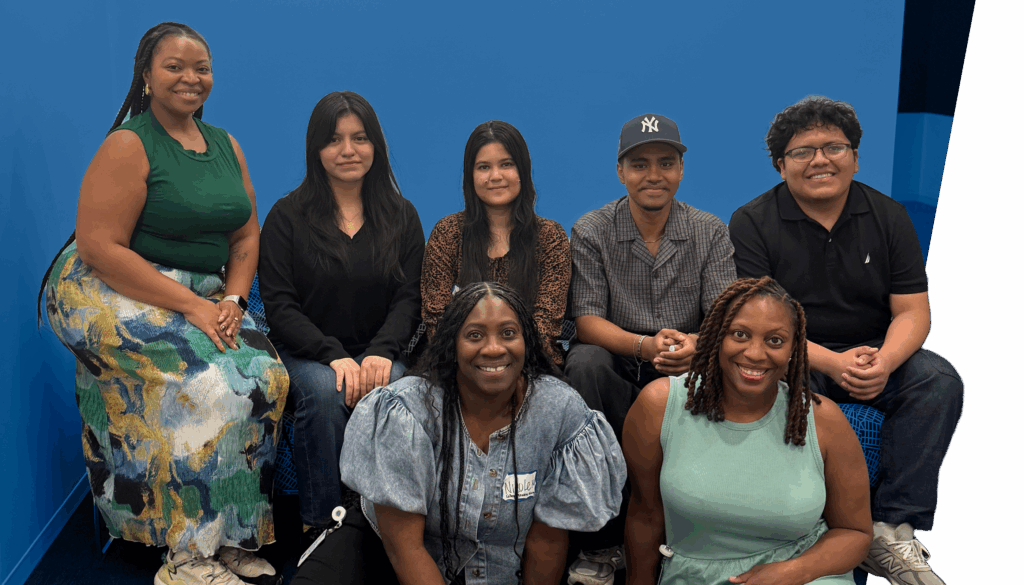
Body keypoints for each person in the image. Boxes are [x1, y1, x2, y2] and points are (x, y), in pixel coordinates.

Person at [39, 22, 287, 585]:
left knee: (266, 378)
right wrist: (194, 308)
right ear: (147, 77)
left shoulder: (226, 145)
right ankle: (185, 558)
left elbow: (245, 236)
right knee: (207, 382)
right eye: (174, 66)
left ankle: (228, 534)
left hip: (198, 289)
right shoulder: (129, 144)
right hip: (105, 287)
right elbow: (100, 248)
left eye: (201, 68)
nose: (190, 77)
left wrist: (232, 297)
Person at [729, 96, 963, 585]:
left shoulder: (888, 215)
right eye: (803, 152)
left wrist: (885, 361)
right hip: (793, 356)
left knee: (937, 380)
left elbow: (912, 310)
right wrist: (832, 364)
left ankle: (890, 528)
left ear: (855, 157)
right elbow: (756, 324)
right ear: (780, 166)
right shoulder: (751, 222)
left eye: (834, 148)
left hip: (875, 350)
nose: (820, 160)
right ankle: (786, 529)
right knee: (755, 376)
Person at [291, 282, 627, 585]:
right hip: (386, 550)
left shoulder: (559, 410)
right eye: (475, 335)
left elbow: (546, 542)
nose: (494, 348)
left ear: (526, 341)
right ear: (452, 345)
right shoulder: (408, 409)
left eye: (508, 333)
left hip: (499, 564)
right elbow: (405, 548)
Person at [563, 113, 736, 583]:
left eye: (665, 163)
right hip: (620, 368)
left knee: (729, 357)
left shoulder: (709, 230)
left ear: (681, 170)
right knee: (584, 362)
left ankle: (701, 537)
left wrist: (696, 345)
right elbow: (587, 321)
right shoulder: (592, 229)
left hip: (688, 369)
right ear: (621, 171)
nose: (653, 175)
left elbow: (725, 318)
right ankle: (600, 542)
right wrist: (644, 345)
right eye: (639, 164)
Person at [623, 277, 872, 585]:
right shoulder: (659, 405)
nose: (755, 353)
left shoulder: (824, 420)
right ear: (715, 336)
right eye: (740, 334)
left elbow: (855, 532)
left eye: (775, 341)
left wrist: (790, 573)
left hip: (805, 575)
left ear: (794, 349)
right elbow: (645, 516)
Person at [258, 91, 424, 546]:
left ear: (376, 146)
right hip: (306, 354)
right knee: (326, 392)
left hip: (380, 351)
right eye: (334, 140)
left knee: (398, 393)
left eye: (359, 138)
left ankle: (390, 524)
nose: (348, 150)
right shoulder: (286, 216)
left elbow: (410, 298)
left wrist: (381, 352)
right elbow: (279, 306)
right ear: (316, 149)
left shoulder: (403, 215)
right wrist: (332, 355)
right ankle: (324, 528)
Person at [421, 120, 570, 365]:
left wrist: (506, 365)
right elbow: (436, 318)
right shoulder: (447, 233)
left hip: (532, 366)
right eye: (484, 167)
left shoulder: (550, 237)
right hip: (457, 367)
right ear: (470, 176)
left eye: (506, 164)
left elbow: (546, 323)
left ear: (523, 171)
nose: (495, 176)